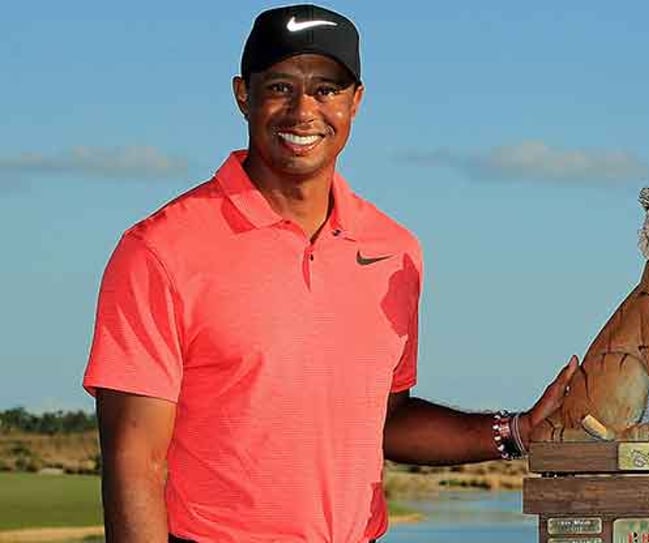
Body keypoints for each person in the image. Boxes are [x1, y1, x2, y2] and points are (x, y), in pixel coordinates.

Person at [82, 5, 577, 542]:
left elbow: (383, 420)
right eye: (279, 86)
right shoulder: (158, 250)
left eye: (325, 89)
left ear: (355, 102)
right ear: (242, 95)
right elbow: (136, 463)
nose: (303, 111)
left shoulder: (394, 250)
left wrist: (517, 432)